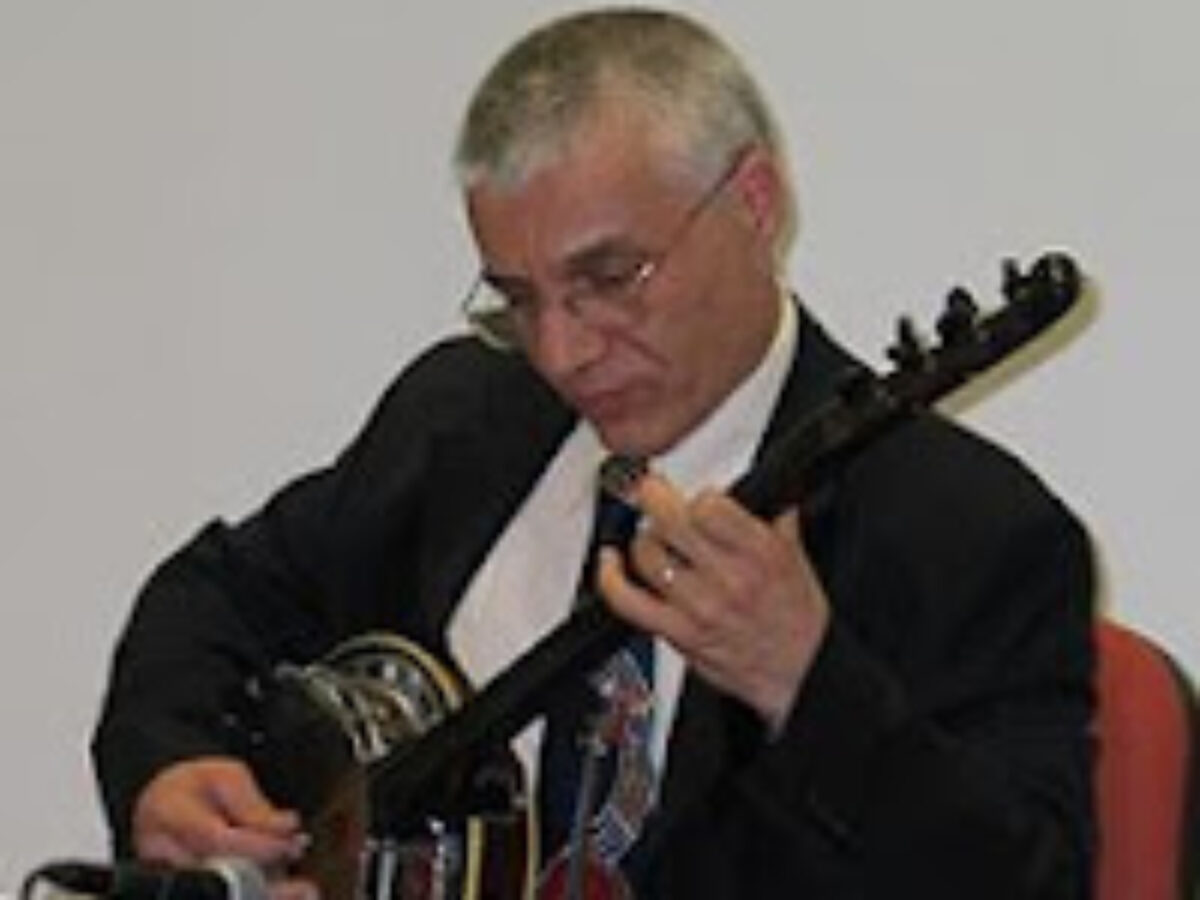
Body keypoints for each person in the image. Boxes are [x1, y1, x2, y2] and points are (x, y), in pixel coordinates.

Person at [92, 7, 1096, 899]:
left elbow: (1030, 881)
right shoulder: (461, 423)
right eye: (518, 300)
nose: (563, 351)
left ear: (753, 201)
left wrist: (806, 679)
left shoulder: (965, 530)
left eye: (611, 278)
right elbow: (213, 598)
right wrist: (170, 766)